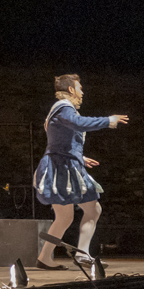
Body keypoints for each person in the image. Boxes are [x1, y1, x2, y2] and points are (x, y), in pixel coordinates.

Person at [34, 74, 129, 269]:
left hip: (62, 164)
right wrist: (108, 120)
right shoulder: (64, 107)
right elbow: (79, 123)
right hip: (61, 168)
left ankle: (44, 258)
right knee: (92, 209)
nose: (82, 92)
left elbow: (58, 139)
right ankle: (81, 255)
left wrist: (79, 157)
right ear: (71, 89)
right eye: (80, 88)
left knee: (67, 216)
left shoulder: (60, 109)